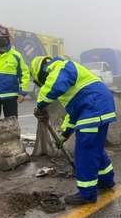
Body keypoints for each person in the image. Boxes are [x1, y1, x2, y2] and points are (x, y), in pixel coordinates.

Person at [31, 55, 116, 206]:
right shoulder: (69, 83)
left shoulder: (61, 67)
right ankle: (106, 181)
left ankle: (87, 194)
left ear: (41, 73)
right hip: (97, 105)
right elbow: (73, 113)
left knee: (84, 151)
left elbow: (53, 87)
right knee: (94, 148)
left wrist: (39, 104)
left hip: (93, 106)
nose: (43, 84)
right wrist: (65, 134)